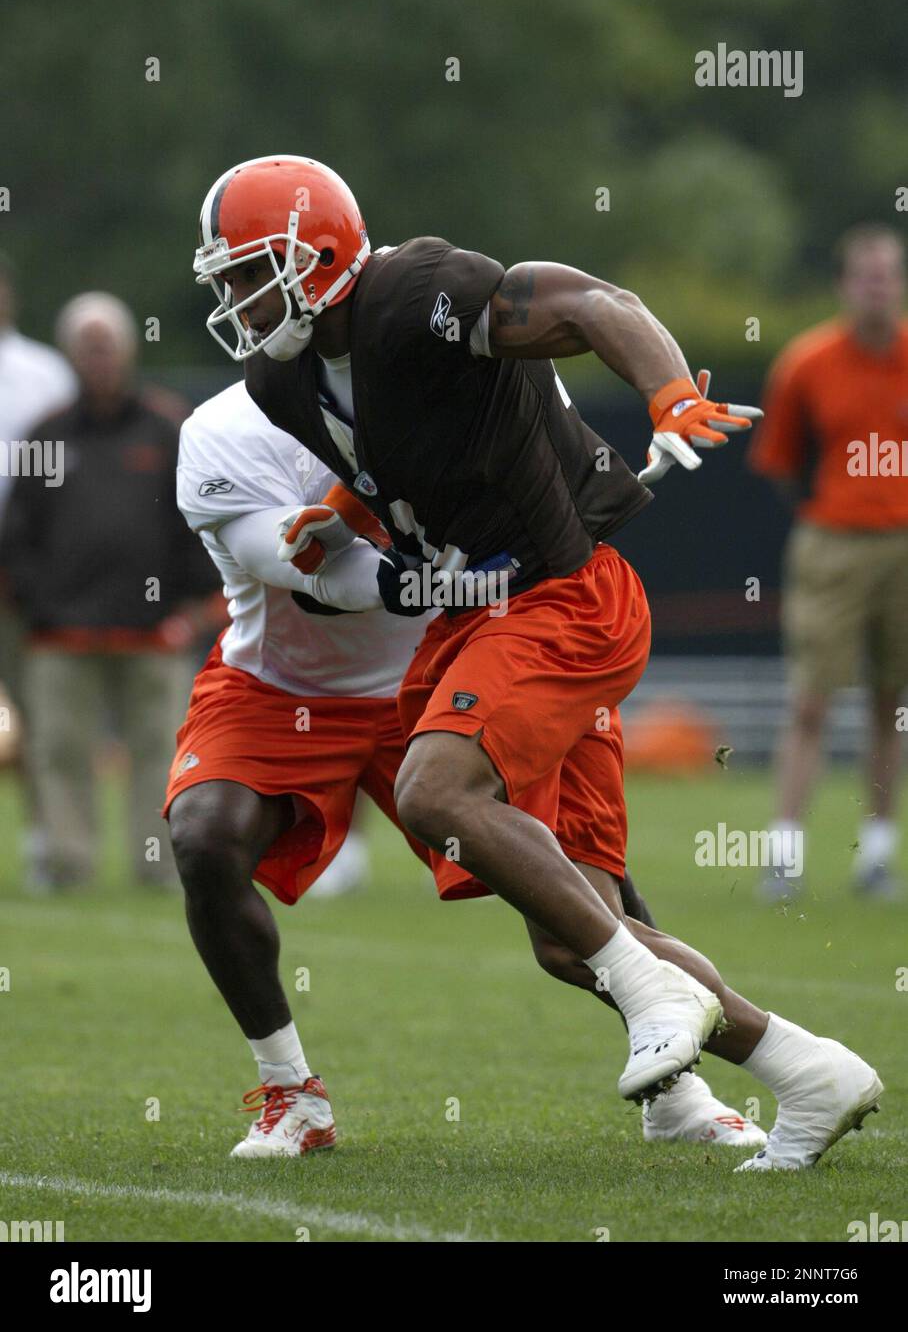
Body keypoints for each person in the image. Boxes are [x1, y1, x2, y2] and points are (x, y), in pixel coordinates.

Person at [190, 155, 883, 1171]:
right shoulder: (281, 378)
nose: (238, 300)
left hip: (561, 601)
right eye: (227, 281)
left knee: (432, 787)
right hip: (480, 622)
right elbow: (390, 452)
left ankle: (653, 998)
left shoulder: (415, 292)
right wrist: (338, 512)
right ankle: (807, 1071)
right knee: (572, 935)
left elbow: (591, 299)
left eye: (254, 271)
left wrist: (664, 392)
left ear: (323, 255)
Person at [165, 379, 766, 1157]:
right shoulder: (222, 429)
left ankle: (680, 1089)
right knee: (204, 836)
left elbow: (560, 425)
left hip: (450, 660)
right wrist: (423, 577)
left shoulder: (449, 359)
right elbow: (302, 571)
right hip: (284, 681)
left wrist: (663, 393)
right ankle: (291, 1092)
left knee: (578, 900)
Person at [0, 292, 222, 889]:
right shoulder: (46, 435)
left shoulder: (166, 427)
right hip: (61, 631)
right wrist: (36, 603)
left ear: (126, 350)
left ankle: (158, 869)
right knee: (60, 754)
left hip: (150, 631)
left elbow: (195, 522)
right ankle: (67, 866)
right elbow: (20, 533)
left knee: (159, 754)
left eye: (108, 346)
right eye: (87, 347)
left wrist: (187, 608)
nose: (98, 358)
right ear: (72, 355)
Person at [751, 224, 908, 901]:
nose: (879, 287)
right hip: (833, 543)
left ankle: (875, 855)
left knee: (891, 704)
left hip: (904, 542)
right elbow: (780, 463)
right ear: (846, 285)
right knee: (811, 700)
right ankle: (783, 855)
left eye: (890, 274)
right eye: (867, 275)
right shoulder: (807, 362)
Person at [0, 254, 77, 819]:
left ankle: (48, 837)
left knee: (39, 708)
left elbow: (66, 475)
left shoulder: (44, 372)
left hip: (24, 566)